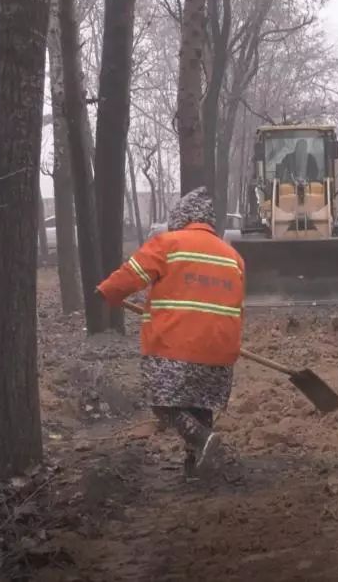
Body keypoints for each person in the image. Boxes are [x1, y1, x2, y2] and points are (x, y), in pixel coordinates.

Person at [97, 187, 245, 477]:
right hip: (221, 351)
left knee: (165, 404)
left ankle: (201, 440)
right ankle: (196, 466)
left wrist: (106, 292)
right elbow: (238, 308)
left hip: (175, 347)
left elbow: (133, 274)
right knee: (201, 403)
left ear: (181, 217)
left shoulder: (168, 244)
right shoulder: (233, 257)